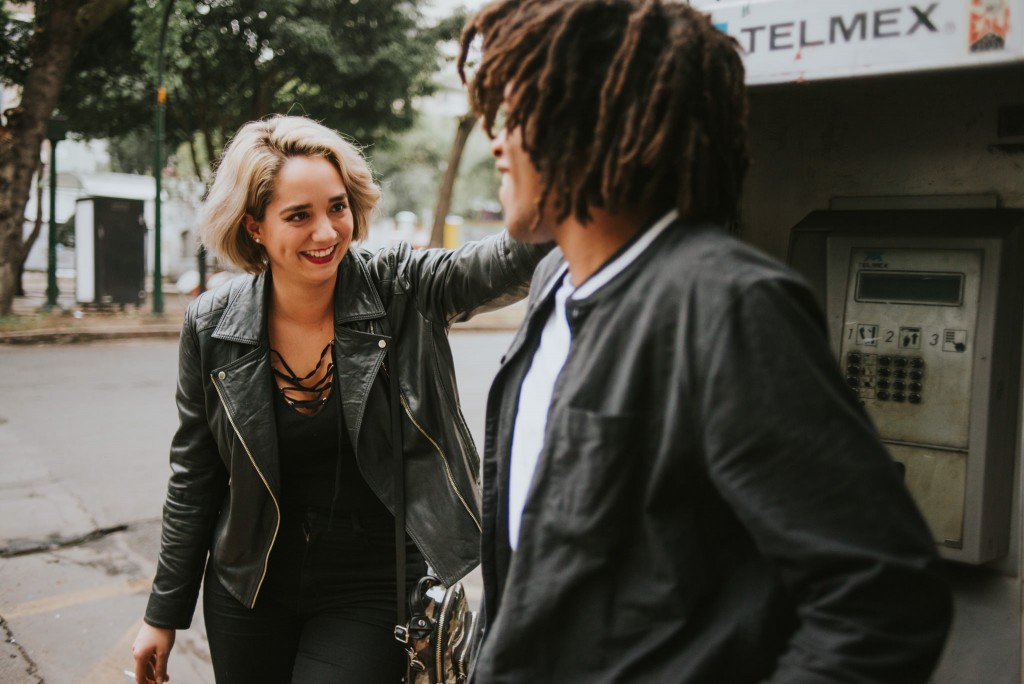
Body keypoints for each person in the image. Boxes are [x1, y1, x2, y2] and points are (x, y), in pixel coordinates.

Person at [457, 1, 953, 682]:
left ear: (590, 115)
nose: (496, 140)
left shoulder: (727, 303)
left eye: (516, 111)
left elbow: (883, 600)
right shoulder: (552, 283)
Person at [131, 115, 547, 684]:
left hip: (373, 582)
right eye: (298, 216)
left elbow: (504, 262)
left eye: (337, 207)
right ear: (254, 227)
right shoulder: (211, 326)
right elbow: (195, 476)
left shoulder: (402, 287)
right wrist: (162, 614)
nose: (326, 232)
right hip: (248, 586)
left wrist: (566, 186)